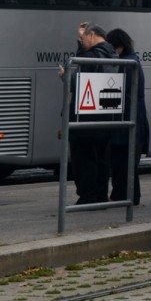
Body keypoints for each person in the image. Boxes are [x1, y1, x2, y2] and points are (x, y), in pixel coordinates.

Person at [61, 22, 118, 205]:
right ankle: (100, 195)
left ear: (92, 35)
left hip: (85, 118)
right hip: (104, 117)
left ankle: (88, 197)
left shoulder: (93, 56)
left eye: (83, 38)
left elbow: (80, 81)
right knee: (101, 159)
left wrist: (65, 76)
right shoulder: (112, 54)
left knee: (84, 160)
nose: (82, 42)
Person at [106, 28, 149, 205]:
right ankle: (128, 196)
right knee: (126, 162)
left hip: (126, 120)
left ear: (119, 46)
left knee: (122, 161)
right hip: (133, 119)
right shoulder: (132, 61)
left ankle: (124, 196)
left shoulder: (127, 64)